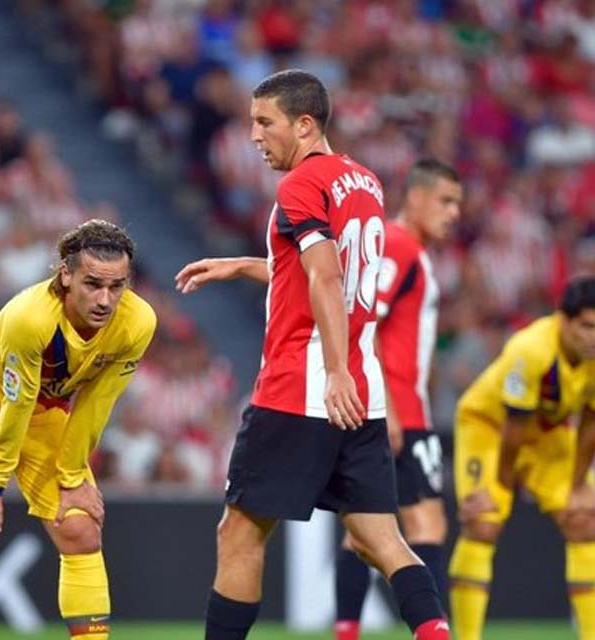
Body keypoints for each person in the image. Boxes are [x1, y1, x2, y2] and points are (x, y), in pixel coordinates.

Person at [175, 70, 449, 640]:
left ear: (304, 124)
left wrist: (335, 371)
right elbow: (328, 272)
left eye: (264, 122)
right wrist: (246, 266)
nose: (254, 135)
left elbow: (325, 276)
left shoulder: (299, 186)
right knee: (383, 540)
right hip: (363, 393)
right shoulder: (364, 182)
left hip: (306, 385)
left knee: (240, 534)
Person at [0, 219, 156, 640]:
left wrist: (73, 477)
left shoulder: (138, 322)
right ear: (65, 275)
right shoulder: (30, 317)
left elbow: (95, 404)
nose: (105, 300)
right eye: (93, 284)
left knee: (79, 524)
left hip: (44, 411)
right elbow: (15, 403)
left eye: (117, 286)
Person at [334, 159, 463, 640]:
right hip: (398, 410)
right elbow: (366, 319)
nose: (453, 213)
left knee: (365, 531)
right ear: (416, 197)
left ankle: (346, 630)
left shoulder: (405, 248)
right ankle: (433, 629)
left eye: (458, 204)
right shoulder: (400, 246)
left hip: (393, 405)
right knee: (425, 522)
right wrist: (384, 405)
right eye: (445, 201)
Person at [448, 277, 595, 640]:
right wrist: (501, 487)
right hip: (490, 427)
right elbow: (513, 428)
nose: (594, 337)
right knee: (483, 522)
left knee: (584, 519)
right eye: (588, 327)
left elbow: (592, 421)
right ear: (564, 319)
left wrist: (578, 486)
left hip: (546, 432)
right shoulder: (530, 349)